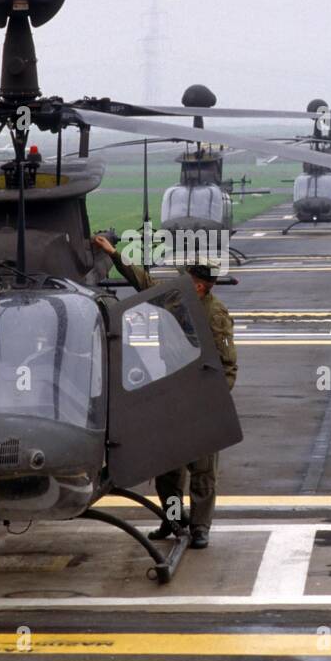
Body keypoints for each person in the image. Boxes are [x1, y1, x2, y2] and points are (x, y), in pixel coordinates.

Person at [90, 235, 237, 549]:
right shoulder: (174, 299)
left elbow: (228, 366)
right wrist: (114, 253)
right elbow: (143, 281)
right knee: (167, 470)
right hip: (172, 397)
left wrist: (211, 401)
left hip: (200, 401)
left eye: (189, 278)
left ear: (201, 286)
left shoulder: (216, 315)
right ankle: (173, 520)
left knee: (202, 472)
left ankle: (200, 527)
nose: (183, 281)